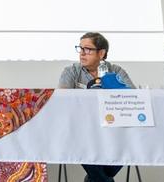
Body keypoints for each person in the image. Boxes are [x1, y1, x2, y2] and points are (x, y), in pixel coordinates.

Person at [58, 32, 135, 182]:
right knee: (78, 138)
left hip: (113, 129)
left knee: (132, 138)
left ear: (101, 53)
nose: (81, 53)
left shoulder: (116, 71)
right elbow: (63, 101)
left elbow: (132, 98)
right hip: (82, 129)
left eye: (87, 49)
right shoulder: (71, 72)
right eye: (80, 49)